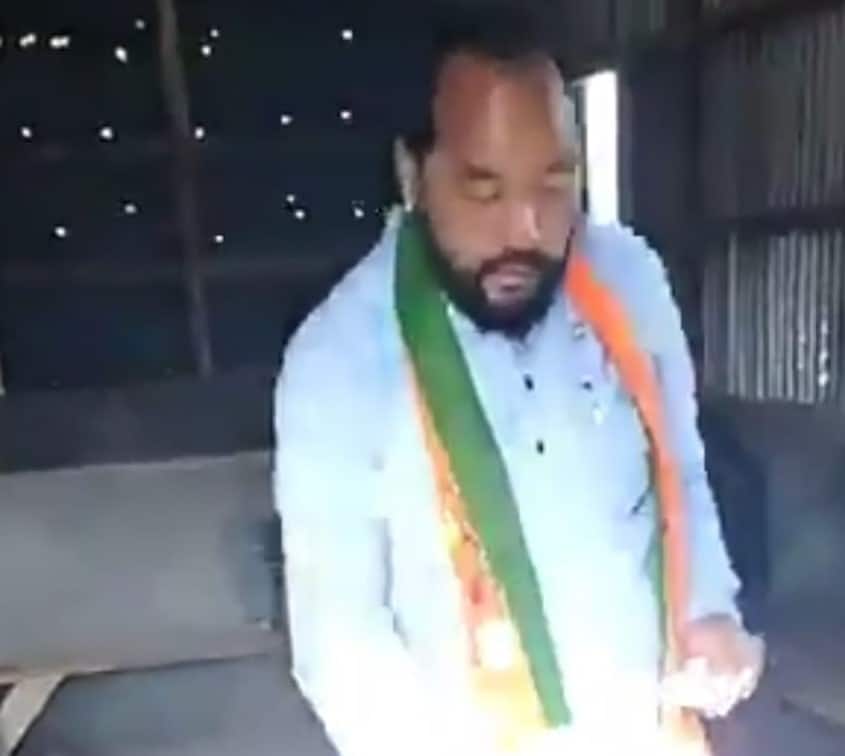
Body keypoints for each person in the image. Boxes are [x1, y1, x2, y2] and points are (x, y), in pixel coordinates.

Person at [274, 5, 764, 755]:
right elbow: (342, 652)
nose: (527, 231)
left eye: (555, 184)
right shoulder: (337, 363)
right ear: (412, 174)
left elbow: (681, 473)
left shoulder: (629, 280)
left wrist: (711, 615)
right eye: (484, 192)